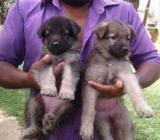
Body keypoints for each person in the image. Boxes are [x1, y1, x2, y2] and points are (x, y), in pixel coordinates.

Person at [0, 0, 160, 139]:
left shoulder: (124, 10)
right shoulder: (24, 7)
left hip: (100, 128)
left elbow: (152, 61)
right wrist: (29, 79)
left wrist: (126, 83)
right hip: (44, 126)